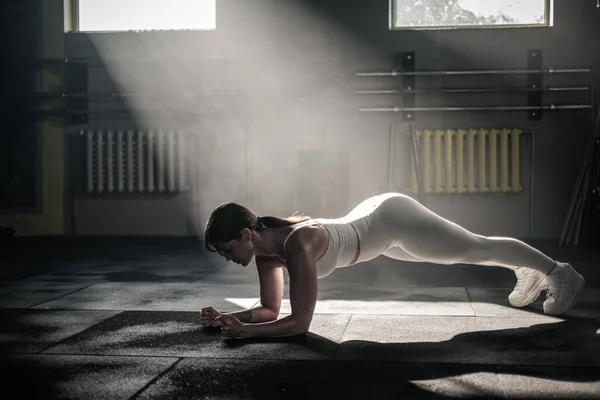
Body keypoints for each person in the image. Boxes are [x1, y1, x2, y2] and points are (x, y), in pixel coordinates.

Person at [200, 192, 585, 339]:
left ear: (247, 235)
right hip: (382, 238)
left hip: (392, 219)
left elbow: (301, 323)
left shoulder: (298, 243)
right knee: (472, 249)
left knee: (473, 248)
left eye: (226, 248)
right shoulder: (266, 254)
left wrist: (248, 335)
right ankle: (528, 269)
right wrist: (232, 320)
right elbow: (270, 310)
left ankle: (559, 273)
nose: (227, 257)